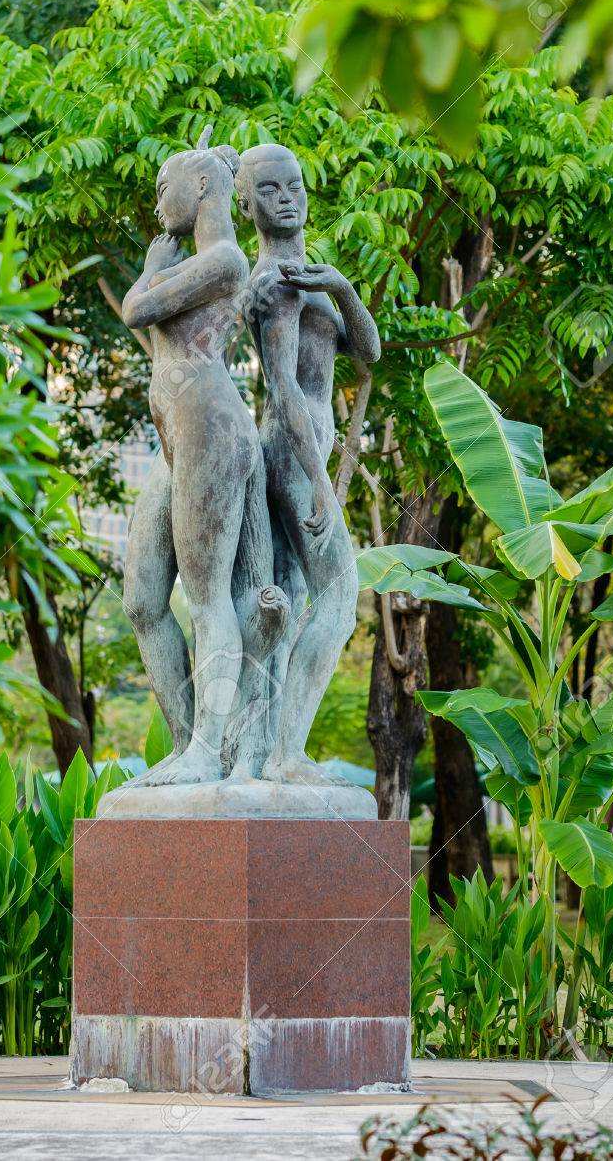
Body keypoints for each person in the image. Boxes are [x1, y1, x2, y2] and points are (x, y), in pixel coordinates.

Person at [121, 129, 284, 784]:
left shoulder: (223, 258)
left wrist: (151, 267)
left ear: (201, 187)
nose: (159, 202)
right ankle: (193, 744)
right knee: (141, 601)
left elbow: (138, 308)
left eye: (166, 188)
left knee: (210, 598)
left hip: (209, 431)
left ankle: (206, 750)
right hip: (176, 437)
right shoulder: (197, 254)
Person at [231, 143, 381, 784]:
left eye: (295, 186)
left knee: (291, 598)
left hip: (308, 450)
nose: (287, 197)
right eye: (270, 189)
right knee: (340, 597)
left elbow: (369, 353)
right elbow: (284, 391)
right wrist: (321, 484)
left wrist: (344, 289)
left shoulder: (312, 276)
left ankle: (266, 749)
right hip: (292, 452)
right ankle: (285, 755)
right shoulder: (272, 282)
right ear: (245, 204)